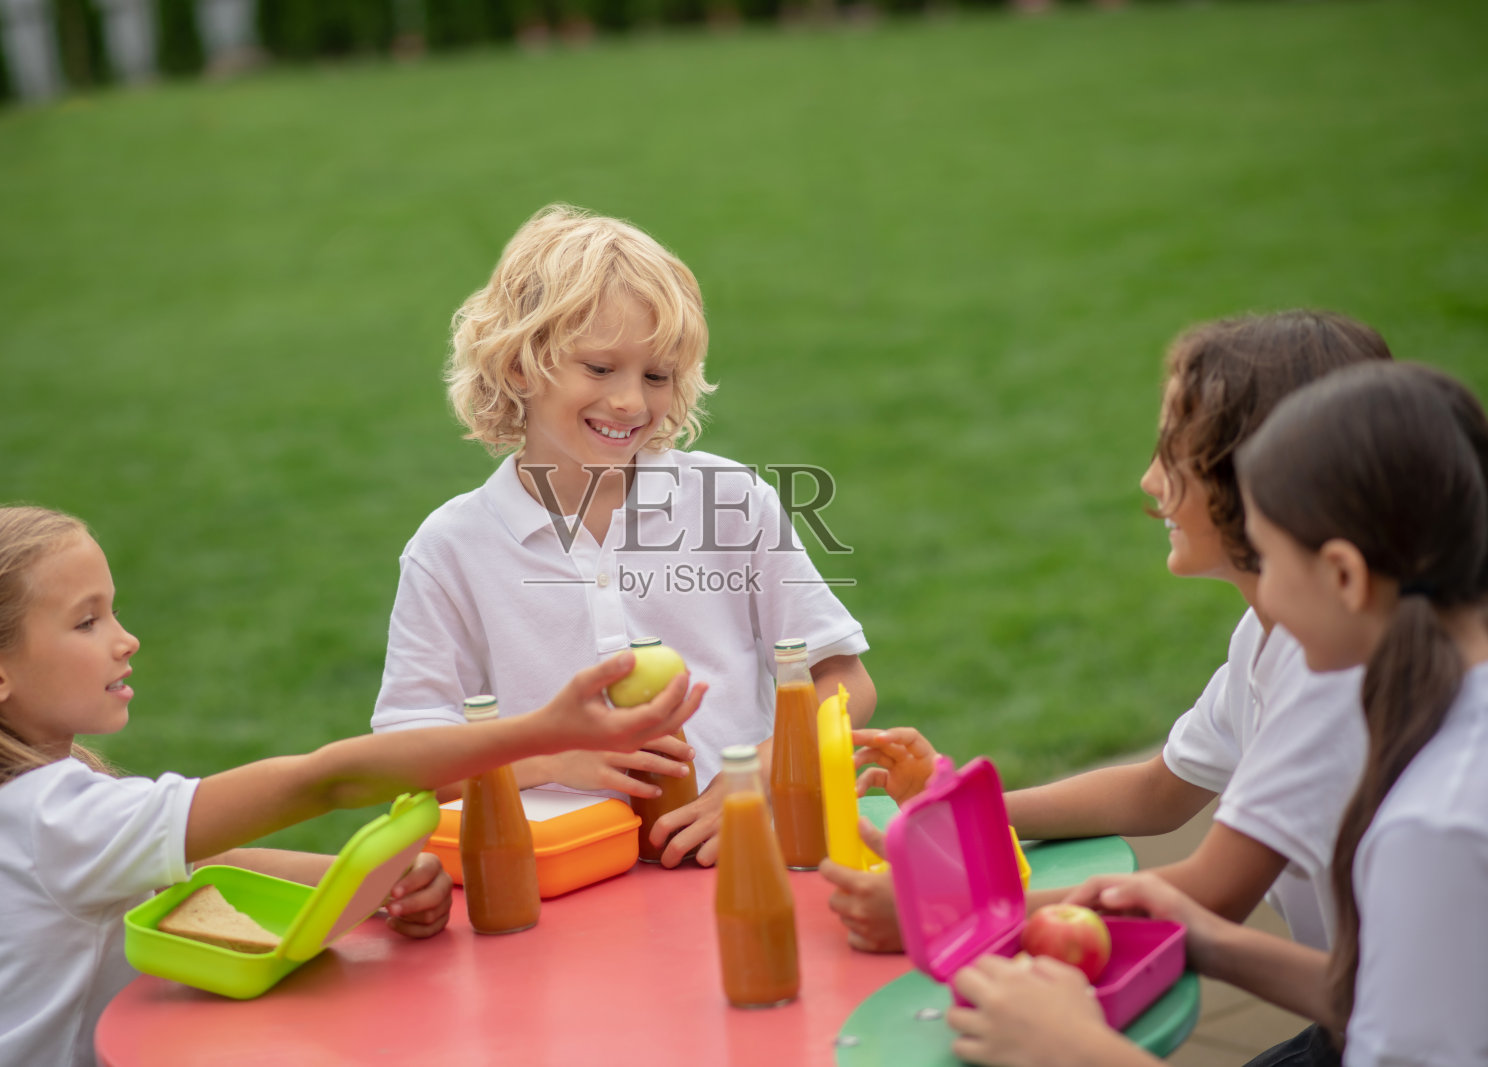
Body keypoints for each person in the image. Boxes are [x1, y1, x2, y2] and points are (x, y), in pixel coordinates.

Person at [0, 505, 705, 1067]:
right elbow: (329, 778)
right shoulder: (51, 815)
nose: (125, 639)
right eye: (87, 620)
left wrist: (362, 883)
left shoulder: (12, 791)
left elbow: (194, 862)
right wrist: (548, 729)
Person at [947, 361, 1488, 1066]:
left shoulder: (1436, 823)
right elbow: (1412, 1003)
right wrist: (1212, 941)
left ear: (1344, 576)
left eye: (1266, 552)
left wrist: (1073, 1050)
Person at [822, 310, 1390, 957]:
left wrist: (953, 911)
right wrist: (960, 811)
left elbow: (1209, 891)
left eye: (1175, 453)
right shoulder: (1270, 637)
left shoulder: (1331, 677)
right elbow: (1157, 792)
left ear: (1265, 474)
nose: (1149, 481)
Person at [371, 203, 875, 867]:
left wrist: (763, 776)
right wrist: (551, 756)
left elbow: (843, 679)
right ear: (520, 365)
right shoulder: (450, 550)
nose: (631, 403)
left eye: (656, 376)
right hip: (557, 887)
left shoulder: (730, 501)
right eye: (600, 368)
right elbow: (403, 763)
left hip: (746, 858)